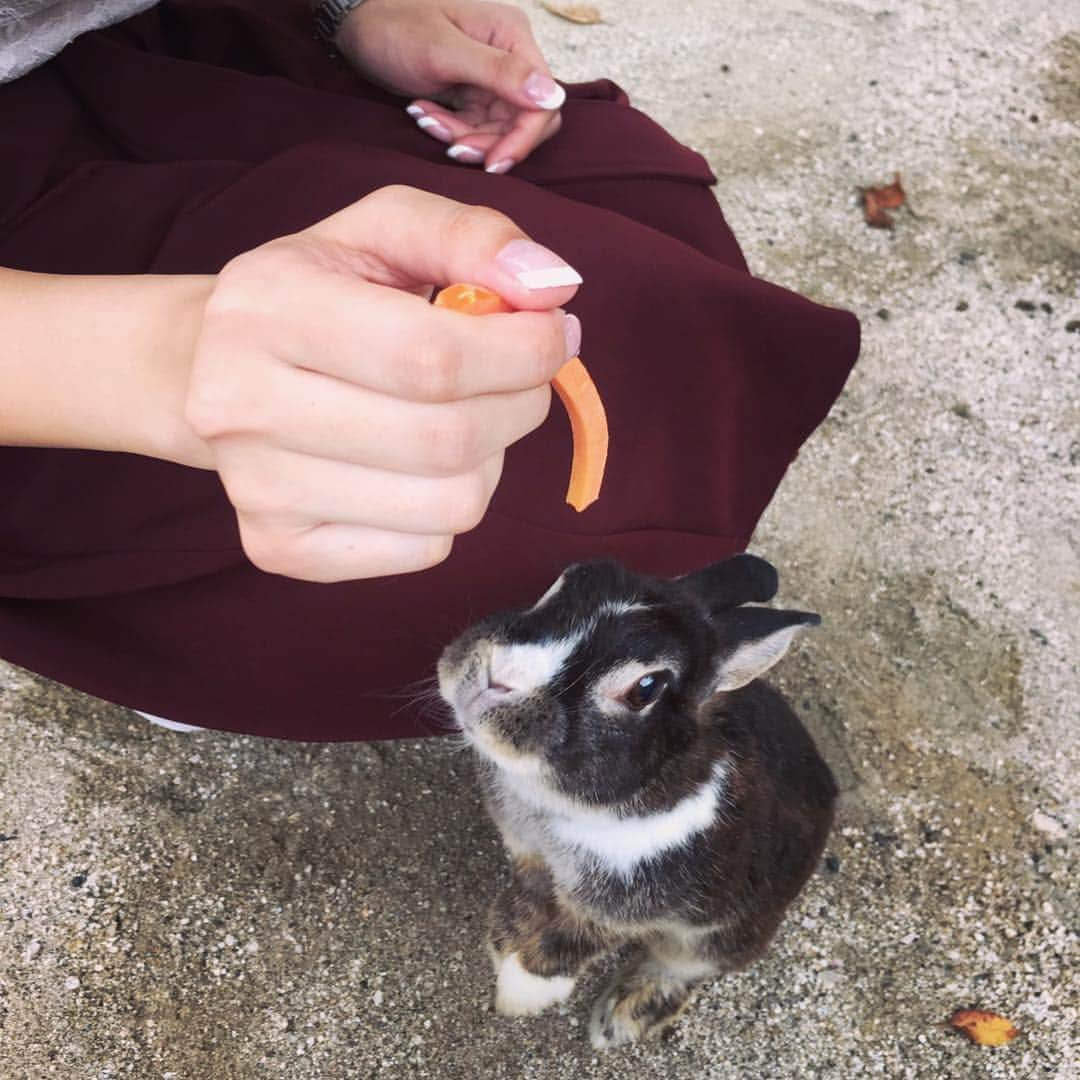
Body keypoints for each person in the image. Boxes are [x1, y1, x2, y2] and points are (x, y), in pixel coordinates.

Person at [0, 0, 859, 740]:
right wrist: (156, 361)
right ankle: (151, 640)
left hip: (136, 46)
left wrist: (356, 9)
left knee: (663, 279)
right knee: (467, 524)